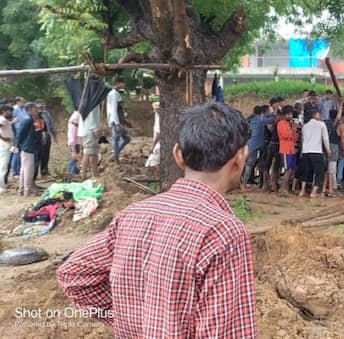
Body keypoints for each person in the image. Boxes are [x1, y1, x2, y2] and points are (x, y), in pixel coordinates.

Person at [58, 102, 257, 338]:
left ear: (178, 155)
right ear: (241, 156)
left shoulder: (133, 214)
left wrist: (132, 319)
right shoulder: (224, 231)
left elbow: (74, 274)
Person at [242, 106, 276, 187]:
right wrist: (273, 113)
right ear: (262, 113)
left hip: (249, 144)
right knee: (249, 165)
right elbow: (273, 119)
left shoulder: (251, 120)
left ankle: (241, 182)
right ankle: (243, 185)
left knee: (246, 164)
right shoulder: (261, 121)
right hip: (255, 146)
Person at [299, 109, 330, 197]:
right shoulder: (321, 124)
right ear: (315, 115)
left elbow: (303, 139)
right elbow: (325, 138)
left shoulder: (305, 126)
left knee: (306, 171)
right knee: (319, 172)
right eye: (318, 114)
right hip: (316, 151)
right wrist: (328, 149)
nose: (319, 116)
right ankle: (313, 192)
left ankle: (302, 190)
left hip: (306, 151)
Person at [15, 102, 41, 196]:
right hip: (28, 147)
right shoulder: (27, 120)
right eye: (35, 108)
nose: (37, 110)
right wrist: (18, 145)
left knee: (24, 169)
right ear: (29, 110)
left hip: (28, 146)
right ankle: (28, 191)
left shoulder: (31, 119)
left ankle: (22, 190)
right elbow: (20, 134)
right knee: (28, 169)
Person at [277, 105, 298, 195]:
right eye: (288, 114)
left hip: (291, 149)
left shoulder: (290, 124)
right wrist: (292, 129)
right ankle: (283, 189)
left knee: (292, 170)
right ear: (284, 115)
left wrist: (294, 130)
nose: (290, 116)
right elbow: (285, 135)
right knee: (288, 169)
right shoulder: (281, 123)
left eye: (291, 114)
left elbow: (294, 138)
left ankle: (285, 188)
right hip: (285, 149)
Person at [78, 105, 101, 178]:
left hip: (86, 130)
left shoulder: (86, 103)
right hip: (90, 131)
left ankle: (94, 172)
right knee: (88, 153)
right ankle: (84, 173)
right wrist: (96, 130)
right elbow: (92, 118)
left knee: (92, 153)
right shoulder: (93, 104)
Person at [35, 100, 56, 177]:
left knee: (46, 154)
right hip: (38, 137)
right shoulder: (33, 115)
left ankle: (44, 170)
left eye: (42, 105)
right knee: (38, 154)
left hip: (47, 135)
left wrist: (54, 135)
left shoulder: (46, 113)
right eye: (39, 106)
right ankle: (35, 173)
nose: (41, 107)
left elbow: (51, 124)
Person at [10, 96, 27, 177]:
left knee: (20, 151)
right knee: (16, 151)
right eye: (23, 101)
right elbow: (10, 121)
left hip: (23, 131)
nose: (24, 103)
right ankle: (14, 171)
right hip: (17, 131)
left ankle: (19, 169)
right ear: (18, 102)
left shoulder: (23, 109)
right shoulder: (14, 109)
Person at [0, 105, 14, 193]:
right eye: (9, 111)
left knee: (4, 166)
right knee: (3, 167)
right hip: (5, 145)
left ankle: (3, 185)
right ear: (4, 111)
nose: (11, 112)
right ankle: (1, 187)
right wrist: (4, 138)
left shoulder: (4, 120)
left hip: (7, 145)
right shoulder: (2, 119)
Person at [145, 102, 160, 169]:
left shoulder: (159, 119)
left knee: (153, 161)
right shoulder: (157, 116)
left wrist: (153, 146)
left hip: (159, 143)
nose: (155, 111)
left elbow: (158, 134)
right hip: (159, 142)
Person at [67, 110, 81, 176]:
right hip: (73, 145)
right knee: (73, 160)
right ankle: (70, 177)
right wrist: (73, 151)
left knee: (75, 161)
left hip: (76, 144)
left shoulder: (75, 123)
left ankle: (74, 174)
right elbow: (71, 139)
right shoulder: (73, 125)